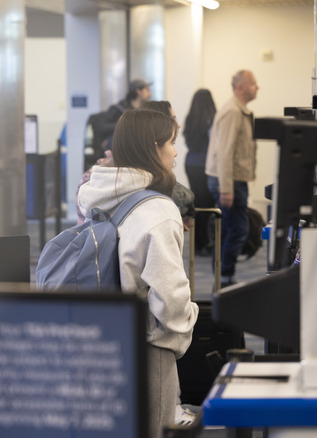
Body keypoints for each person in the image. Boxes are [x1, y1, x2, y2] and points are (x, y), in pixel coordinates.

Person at [77, 109, 199, 438]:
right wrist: (189, 321)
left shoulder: (99, 198)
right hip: (149, 349)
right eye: (172, 143)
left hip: (101, 340)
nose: (176, 152)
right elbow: (170, 303)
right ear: (154, 147)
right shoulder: (158, 210)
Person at [205, 70, 259, 287]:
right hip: (228, 180)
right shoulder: (233, 112)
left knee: (230, 227)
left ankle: (222, 275)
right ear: (240, 87)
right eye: (254, 84)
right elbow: (225, 153)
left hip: (233, 179)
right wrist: (226, 188)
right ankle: (225, 277)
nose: (258, 87)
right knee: (238, 229)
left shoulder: (238, 111)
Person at [183, 89, 218, 256]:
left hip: (190, 163)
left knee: (197, 203)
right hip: (206, 165)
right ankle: (206, 243)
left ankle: (197, 243)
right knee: (208, 204)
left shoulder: (190, 120)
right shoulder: (213, 119)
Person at [95, 79, 153, 150]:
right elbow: (101, 127)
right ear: (138, 91)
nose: (149, 94)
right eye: (147, 90)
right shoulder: (118, 109)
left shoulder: (145, 111)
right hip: (120, 149)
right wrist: (123, 125)